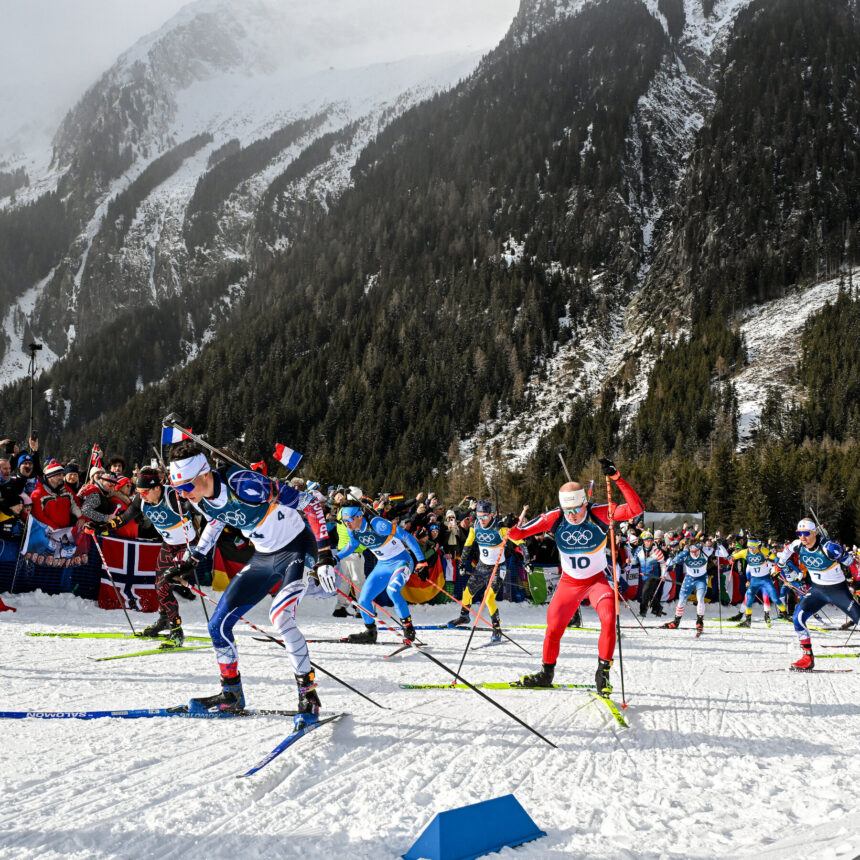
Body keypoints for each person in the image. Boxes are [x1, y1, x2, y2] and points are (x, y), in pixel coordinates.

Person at [169, 442, 336, 726]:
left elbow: (309, 504)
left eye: (186, 487)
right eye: (178, 490)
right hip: (263, 556)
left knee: (280, 617)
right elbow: (215, 520)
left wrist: (323, 553)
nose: (185, 495)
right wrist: (194, 558)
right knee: (217, 626)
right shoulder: (200, 497)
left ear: (204, 474)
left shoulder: (245, 483)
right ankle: (231, 694)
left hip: (295, 547)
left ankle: (308, 695)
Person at [508, 457, 643, 695]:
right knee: (553, 627)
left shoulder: (600, 513)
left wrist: (617, 478)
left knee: (609, 620)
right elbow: (517, 534)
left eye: (577, 509)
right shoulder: (555, 517)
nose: (572, 514)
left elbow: (635, 509)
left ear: (585, 503)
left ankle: (603, 673)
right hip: (569, 584)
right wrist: (511, 527)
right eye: (567, 510)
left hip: (597, 582)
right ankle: (546, 673)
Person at [105, 467, 198, 645]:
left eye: (145, 492)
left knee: (164, 583)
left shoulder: (173, 497)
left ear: (157, 487)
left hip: (186, 547)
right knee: (159, 584)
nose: (142, 496)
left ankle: (176, 630)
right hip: (168, 545)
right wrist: (102, 527)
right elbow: (125, 517)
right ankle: (164, 620)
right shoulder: (141, 499)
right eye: (139, 492)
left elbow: (198, 505)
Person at [336, 499, 429, 643]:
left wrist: (421, 562)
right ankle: (370, 632)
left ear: (360, 516)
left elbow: (406, 536)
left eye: (349, 519)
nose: (347, 523)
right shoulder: (352, 529)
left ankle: (408, 626)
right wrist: (335, 558)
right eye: (344, 520)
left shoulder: (378, 525)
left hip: (401, 562)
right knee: (363, 600)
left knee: (393, 591)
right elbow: (352, 545)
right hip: (383, 565)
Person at [774, 518, 860, 671]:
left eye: (806, 533)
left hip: (837, 590)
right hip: (817, 590)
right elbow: (786, 551)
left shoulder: (829, 548)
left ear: (814, 532)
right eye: (799, 533)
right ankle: (807, 658)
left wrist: (857, 579)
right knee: (798, 618)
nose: (802, 537)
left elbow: (851, 562)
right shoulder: (798, 545)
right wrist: (779, 566)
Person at [446, 500, 517, 642]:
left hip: (498, 568)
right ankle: (464, 616)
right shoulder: (475, 525)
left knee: (488, 597)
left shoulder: (499, 527)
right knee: (467, 592)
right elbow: (467, 544)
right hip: (482, 566)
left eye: (485, 516)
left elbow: (519, 541)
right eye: (479, 516)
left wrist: (527, 559)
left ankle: (497, 629)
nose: (482, 520)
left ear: (491, 514)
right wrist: (462, 563)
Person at [729, 536, 787, 627]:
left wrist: (777, 563)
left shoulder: (762, 550)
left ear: (757, 546)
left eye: (753, 548)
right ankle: (747, 621)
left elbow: (775, 558)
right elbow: (734, 556)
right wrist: (731, 558)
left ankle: (785, 615)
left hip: (766, 580)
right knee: (749, 599)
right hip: (754, 580)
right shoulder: (745, 552)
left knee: (775, 598)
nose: (752, 550)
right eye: (750, 548)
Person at [660, 538, 709, 634]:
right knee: (682, 599)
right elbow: (670, 563)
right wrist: (670, 559)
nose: (694, 554)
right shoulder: (685, 553)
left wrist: (720, 545)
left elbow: (724, 554)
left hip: (701, 579)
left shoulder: (705, 551)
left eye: (696, 551)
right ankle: (676, 622)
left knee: (700, 598)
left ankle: (699, 622)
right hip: (689, 578)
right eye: (692, 551)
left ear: (699, 548)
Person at [635, 530, 667, 617]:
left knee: (645, 593)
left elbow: (663, 564)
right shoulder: (639, 550)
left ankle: (643, 611)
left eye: (650, 541)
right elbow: (635, 561)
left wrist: (663, 574)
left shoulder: (657, 551)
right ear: (644, 541)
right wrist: (629, 561)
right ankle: (657, 608)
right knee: (651, 593)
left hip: (653, 575)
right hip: (644, 575)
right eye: (646, 540)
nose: (648, 542)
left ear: (652, 541)